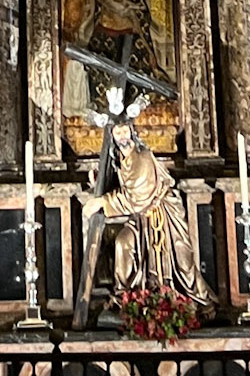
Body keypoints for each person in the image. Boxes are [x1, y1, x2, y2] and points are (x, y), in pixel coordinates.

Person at [79, 119, 214, 308]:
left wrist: (102, 201)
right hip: (140, 219)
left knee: (183, 264)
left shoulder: (142, 157)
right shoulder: (120, 159)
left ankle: (185, 299)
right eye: (118, 133)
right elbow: (126, 189)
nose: (123, 137)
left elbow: (139, 196)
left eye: (125, 131)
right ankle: (124, 298)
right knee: (122, 244)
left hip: (164, 217)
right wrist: (98, 187)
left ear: (132, 132)